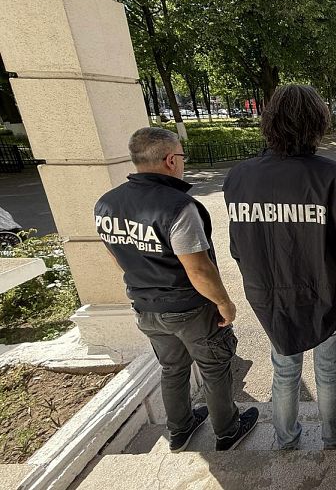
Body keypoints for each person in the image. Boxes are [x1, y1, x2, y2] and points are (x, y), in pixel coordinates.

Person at [223, 85, 336, 450]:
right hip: (325, 293)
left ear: (270, 121)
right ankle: (335, 435)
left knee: (284, 370)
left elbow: (237, 246)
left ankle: (286, 439)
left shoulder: (239, 177)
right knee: (328, 370)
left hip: (268, 295)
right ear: (317, 123)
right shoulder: (331, 176)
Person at [95, 127, 258, 453]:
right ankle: (228, 432)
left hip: (146, 306)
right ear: (171, 160)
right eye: (181, 157)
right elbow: (198, 268)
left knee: (172, 368)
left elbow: (116, 255)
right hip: (189, 309)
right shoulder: (178, 207)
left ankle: (180, 431)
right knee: (214, 368)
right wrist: (224, 303)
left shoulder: (106, 203)